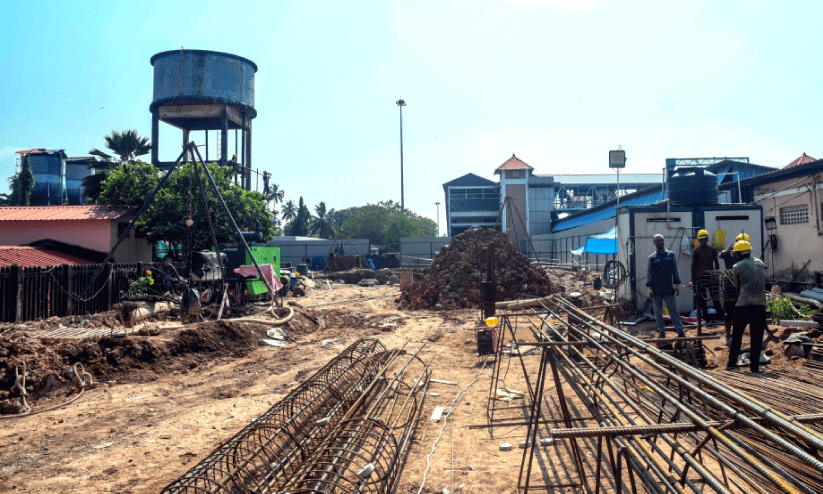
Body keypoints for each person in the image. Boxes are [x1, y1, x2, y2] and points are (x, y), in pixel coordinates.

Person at [726, 240, 767, 373]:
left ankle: (732, 363)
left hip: (743, 305)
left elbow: (737, 287)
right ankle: (754, 367)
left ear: (738, 253)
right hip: (760, 305)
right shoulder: (761, 263)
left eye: (735, 253)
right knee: (756, 337)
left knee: (737, 335)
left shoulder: (737, 266)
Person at [647, 234, 686, 338]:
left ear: (663, 241)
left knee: (673, 311)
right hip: (656, 289)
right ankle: (662, 331)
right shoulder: (652, 258)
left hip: (668, 288)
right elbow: (649, 273)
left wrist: (677, 283)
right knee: (657, 312)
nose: (660, 242)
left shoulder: (671, 255)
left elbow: (675, 270)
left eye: (661, 240)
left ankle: (680, 331)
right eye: (657, 241)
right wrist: (649, 287)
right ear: (654, 243)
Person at [718, 233, 748, 345]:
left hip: (740, 290)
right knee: (729, 314)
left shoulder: (745, 257)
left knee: (739, 314)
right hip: (729, 288)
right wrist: (729, 248)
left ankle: (736, 335)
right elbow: (720, 255)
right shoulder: (729, 255)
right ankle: (727, 336)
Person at [691, 229, 724, 321]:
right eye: (701, 240)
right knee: (702, 299)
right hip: (700, 279)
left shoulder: (712, 250)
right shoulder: (696, 251)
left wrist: (716, 275)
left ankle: (720, 316)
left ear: (707, 239)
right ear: (699, 240)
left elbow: (716, 263)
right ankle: (705, 317)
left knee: (715, 297)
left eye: (705, 239)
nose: (703, 241)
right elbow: (693, 266)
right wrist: (693, 281)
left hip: (712, 277)